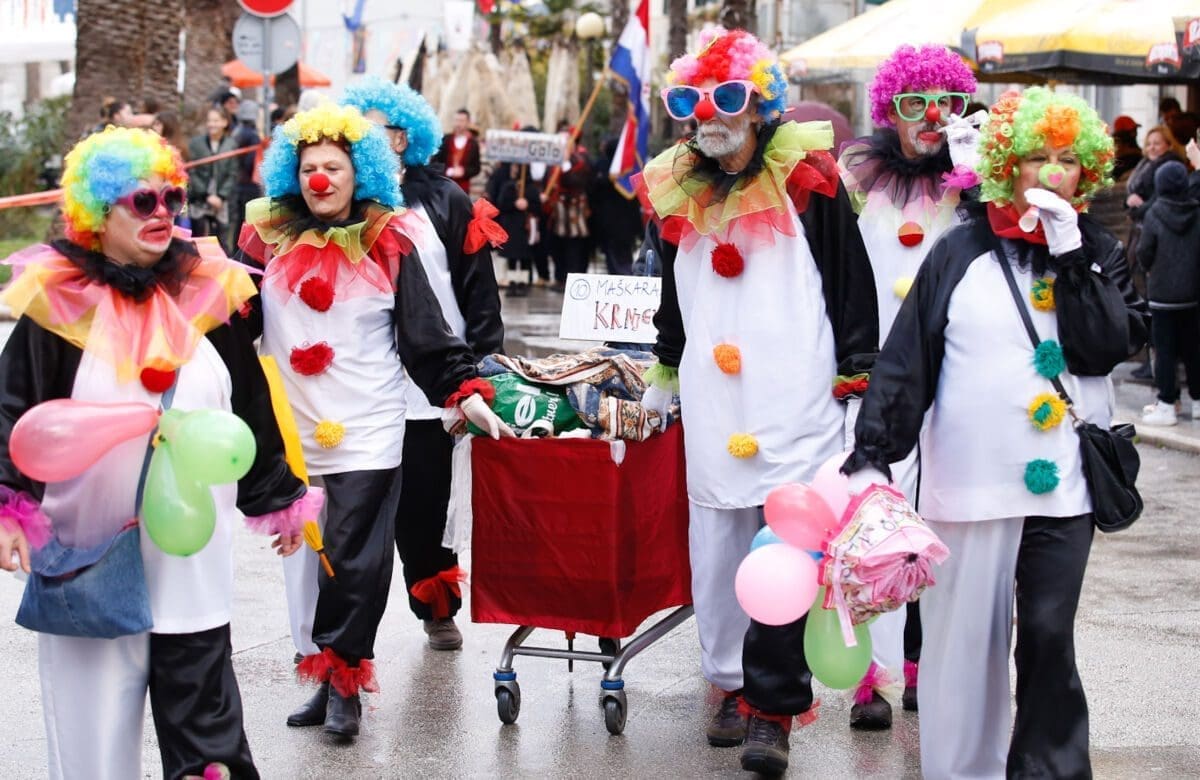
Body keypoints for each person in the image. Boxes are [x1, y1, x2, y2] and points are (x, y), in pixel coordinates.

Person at [842, 87, 1146, 780]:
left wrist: (1073, 256)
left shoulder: (1097, 247)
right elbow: (908, 355)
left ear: (1087, 171)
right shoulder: (959, 251)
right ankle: (963, 769)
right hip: (971, 485)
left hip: (1064, 486)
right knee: (962, 644)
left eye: (1068, 160)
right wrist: (874, 452)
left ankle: (1049, 770)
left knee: (1046, 634)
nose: (1053, 172)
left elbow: (1109, 344)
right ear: (1007, 165)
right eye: (1037, 156)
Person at [0, 127, 320, 780]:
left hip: (190, 556)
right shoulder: (57, 303)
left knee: (209, 741)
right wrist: (8, 503)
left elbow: (249, 407)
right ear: (97, 213)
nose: (164, 213)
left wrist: (278, 496)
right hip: (86, 556)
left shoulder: (210, 291)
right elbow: (14, 411)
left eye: (172, 198)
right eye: (142, 201)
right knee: (90, 743)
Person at [636, 28, 877, 774]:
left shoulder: (811, 178)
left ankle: (773, 708)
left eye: (728, 100)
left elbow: (849, 285)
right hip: (715, 402)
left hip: (795, 399)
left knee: (786, 548)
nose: (710, 117)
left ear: (758, 105)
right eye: (694, 103)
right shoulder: (674, 184)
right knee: (716, 552)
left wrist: (857, 381)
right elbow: (673, 296)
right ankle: (729, 684)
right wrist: (664, 369)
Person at [235, 103, 512, 741]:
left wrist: (462, 389)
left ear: (360, 172)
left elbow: (424, 333)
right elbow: (234, 321)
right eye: (309, 168)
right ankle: (318, 667)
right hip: (295, 431)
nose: (321, 179)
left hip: (369, 424)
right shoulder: (265, 238)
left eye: (334, 166)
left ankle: (346, 682)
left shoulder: (388, 240)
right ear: (293, 173)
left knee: (355, 559)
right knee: (306, 561)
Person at [835, 42, 979, 731]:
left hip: (957, 382)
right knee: (875, 521)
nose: (930, 117)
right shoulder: (860, 184)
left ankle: (930, 666)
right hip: (878, 382)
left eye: (945, 103)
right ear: (890, 111)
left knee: (946, 525)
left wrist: (978, 175)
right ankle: (875, 679)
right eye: (913, 103)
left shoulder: (976, 187)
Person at [341, 76, 505, 650]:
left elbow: (479, 292)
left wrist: (484, 365)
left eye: (374, 130)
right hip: (362, 382)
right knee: (355, 509)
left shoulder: (447, 201)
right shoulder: (341, 203)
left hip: (435, 379)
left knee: (427, 503)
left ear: (404, 138)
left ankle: (436, 605)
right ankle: (339, 638)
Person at [1138, 160, 1200, 426]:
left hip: (1162, 296)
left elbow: (1144, 252)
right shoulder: (1197, 212)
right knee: (1194, 350)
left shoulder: (1154, 213)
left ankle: (1166, 404)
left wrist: (1149, 270)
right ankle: (1198, 402)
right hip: (1193, 295)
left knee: (1164, 352)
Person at [1126, 124, 1186, 379]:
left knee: (1155, 309)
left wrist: (1136, 208)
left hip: (1158, 247)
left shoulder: (1168, 170)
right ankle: (1153, 362)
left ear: (1168, 145)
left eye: (1157, 143)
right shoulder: (1147, 166)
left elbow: (1152, 204)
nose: (1151, 148)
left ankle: (1158, 367)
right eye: (1148, 143)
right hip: (1145, 238)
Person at [486, 126, 545, 296]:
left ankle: (523, 282)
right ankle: (512, 282)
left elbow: (537, 207)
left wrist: (528, 204)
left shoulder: (531, 188)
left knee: (525, 257)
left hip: (525, 227)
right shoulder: (507, 186)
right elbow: (501, 203)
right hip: (511, 224)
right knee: (512, 257)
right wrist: (514, 203)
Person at [589, 136, 644, 276]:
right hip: (622, 224)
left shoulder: (606, 166)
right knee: (620, 257)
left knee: (617, 260)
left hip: (611, 224)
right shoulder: (628, 168)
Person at [545, 127, 592, 287]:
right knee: (557, 243)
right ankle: (560, 277)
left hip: (574, 208)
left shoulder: (580, 160)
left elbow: (577, 182)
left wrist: (565, 165)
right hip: (557, 209)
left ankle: (574, 278)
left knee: (574, 245)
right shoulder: (552, 161)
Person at [186, 107, 237, 249]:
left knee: (222, 241)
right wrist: (206, 195)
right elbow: (192, 172)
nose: (211, 124)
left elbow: (232, 174)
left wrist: (221, 196)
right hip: (200, 198)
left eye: (215, 120)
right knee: (199, 239)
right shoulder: (196, 144)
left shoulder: (231, 144)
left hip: (222, 201)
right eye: (209, 121)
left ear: (224, 122)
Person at [229, 100, 264, 254]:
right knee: (247, 223)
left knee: (237, 223)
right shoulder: (252, 136)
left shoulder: (236, 132)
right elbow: (251, 163)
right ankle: (242, 253)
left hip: (237, 183)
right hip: (249, 185)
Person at [433, 108, 481, 193]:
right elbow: (435, 161)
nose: (458, 124)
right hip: (444, 185)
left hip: (463, 188)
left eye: (462, 121)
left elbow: (476, 168)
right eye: (456, 120)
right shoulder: (446, 140)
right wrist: (446, 170)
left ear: (468, 122)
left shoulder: (473, 144)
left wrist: (464, 171)